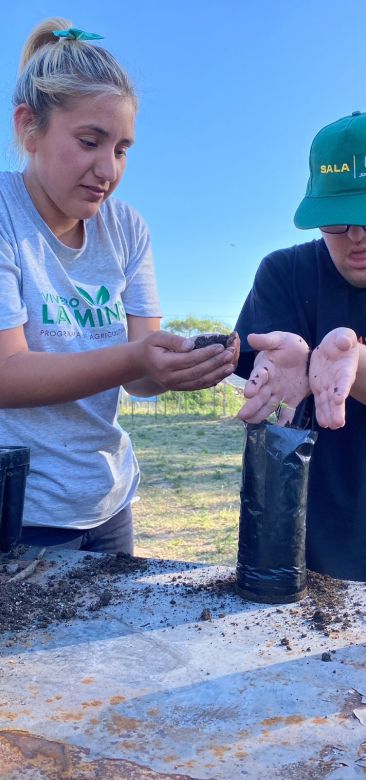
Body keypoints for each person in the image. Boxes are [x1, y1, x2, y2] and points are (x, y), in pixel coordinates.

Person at [0, 18, 238, 555]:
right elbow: (6, 374)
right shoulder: (5, 218)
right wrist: (139, 360)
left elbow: (140, 380)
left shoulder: (126, 228)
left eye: (123, 148)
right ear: (28, 127)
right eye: (90, 141)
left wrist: (179, 367)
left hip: (108, 505)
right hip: (20, 512)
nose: (107, 169)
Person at [235, 110, 366, 589]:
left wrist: (355, 360)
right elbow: (266, 377)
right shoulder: (283, 272)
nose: (355, 236)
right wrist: (286, 367)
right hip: (295, 542)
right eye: (336, 220)